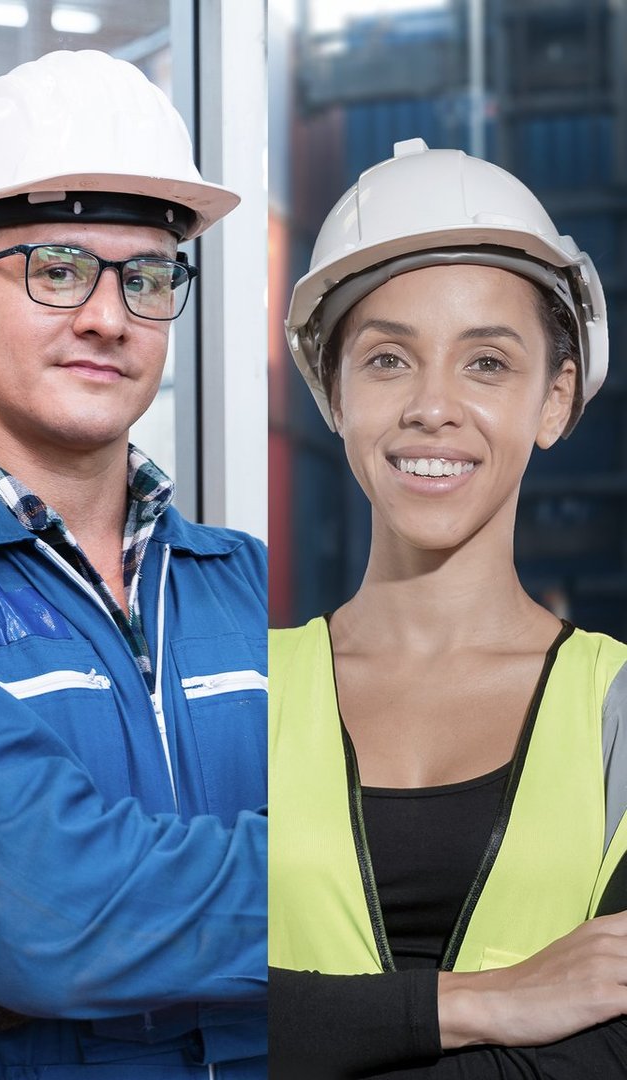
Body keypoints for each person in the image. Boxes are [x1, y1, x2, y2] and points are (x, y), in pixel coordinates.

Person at [0, 51, 269, 1078]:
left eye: (148, 277)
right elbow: (60, 915)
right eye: (58, 269)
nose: (109, 316)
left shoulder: (253, 588)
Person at [271, 138, 627, 1079]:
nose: (434, 407)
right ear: (334, 393)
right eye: (389, 359)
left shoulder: (619, 712)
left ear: (553, 402)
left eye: (486, 364)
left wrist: (312, 1027)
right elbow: (161, 1012)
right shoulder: (233, 690)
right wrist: (489, 1004)